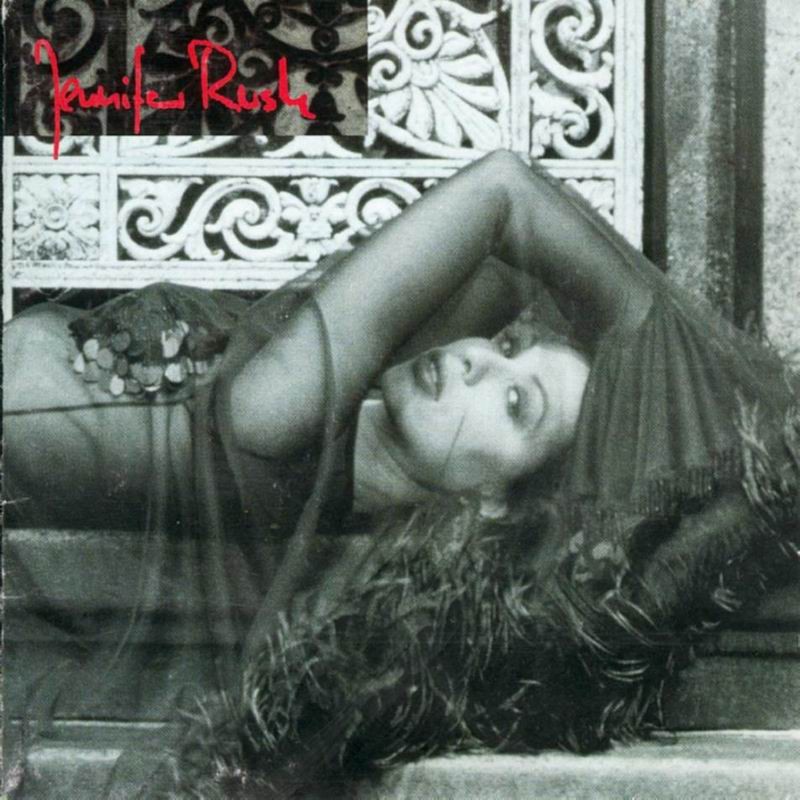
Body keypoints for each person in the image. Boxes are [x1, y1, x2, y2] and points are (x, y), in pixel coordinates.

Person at [4, 151, 798, 798]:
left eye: (516, 404)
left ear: (492, 504)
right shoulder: (347, 409)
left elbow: (504, 190)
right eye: (509, 345)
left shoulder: (280, 416)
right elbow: (512, 270)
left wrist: (662, 339)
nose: (477, 361)